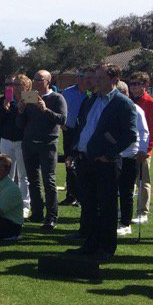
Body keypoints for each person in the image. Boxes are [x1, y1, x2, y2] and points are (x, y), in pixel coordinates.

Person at [67, 64, 137, 262]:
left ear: (114, 79)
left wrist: (109, 154)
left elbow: (130, 135)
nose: (96, 81)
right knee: (89, 205)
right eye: (95, 77)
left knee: (106, 207)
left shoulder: (123, 103)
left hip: (105, 163)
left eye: (101, 77)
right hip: (85, 161)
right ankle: (90, 244)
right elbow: (83, 128)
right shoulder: (91, 100)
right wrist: (74, 151)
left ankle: (106, 248)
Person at [17, 70, 67, 230]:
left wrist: (45, 110)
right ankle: (37, 213)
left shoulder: (57, 98)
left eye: (40, 79)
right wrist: (21, 111)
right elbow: (20, 124)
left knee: (49, 181)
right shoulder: (29, 96)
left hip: (48, 144)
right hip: (29, 143)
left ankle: (51, 217)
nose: (36, 82)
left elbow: (62, 119)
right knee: (33, 181)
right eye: (35, 79)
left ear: (48, 81)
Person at [0, 74, 32, 216]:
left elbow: (30, 120)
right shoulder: (6, 99)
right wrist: (4, 109)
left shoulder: (29, 97)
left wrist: (21, 109)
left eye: (17, 85)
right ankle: (5, 201)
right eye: (12, 85)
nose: (13, 87)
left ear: (25, 86)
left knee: (23, 175)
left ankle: (25, 205)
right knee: (6, 173)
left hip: (22, 141)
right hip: (6, 140)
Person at [115, 81, 149, 236]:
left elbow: (144, 132)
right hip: (115, 155)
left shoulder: (136, 109)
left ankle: (125, 223)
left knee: (126, 190)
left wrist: (142, 150)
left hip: (131, 155)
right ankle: (115, 216)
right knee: (113, 189)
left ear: (124, 93)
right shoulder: (114, 109)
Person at [128, 71, 153, 224]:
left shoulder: (152, 103)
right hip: (127, 148)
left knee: (143, 182)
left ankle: (142, 212)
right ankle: (125, 210)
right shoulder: (128, 101)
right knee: (127, 181)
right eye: (132, 84)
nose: (133, 87)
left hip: (143, 149)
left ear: (145, 85)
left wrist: (146, 150)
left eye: (137, 84)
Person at [60, 70, 90, 206]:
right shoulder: (67, 92)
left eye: (82, 76)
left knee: (82, 164)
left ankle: (81, 195)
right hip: (70, 131)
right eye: (79, 76)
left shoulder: (91, 94)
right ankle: (71, 195)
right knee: (69, 163)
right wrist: (62, 124)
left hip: (86, 133)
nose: (80, 79)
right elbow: (59, 109)